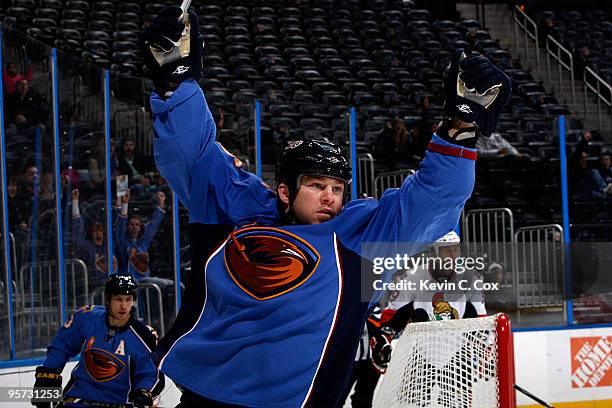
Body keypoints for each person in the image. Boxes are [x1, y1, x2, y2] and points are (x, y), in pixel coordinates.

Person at [139, 7, 510, 407]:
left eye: (336, 187)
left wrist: (459, 129)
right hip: (203, 400)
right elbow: (191, 153)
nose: (330, 196)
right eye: (316, 185)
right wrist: (176, 80)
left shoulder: (358, 239)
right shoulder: (234, 208)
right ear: (283, 191)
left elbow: (430, 202)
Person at [364, 231, 487, 408]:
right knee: (412, 404)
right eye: (447, 251)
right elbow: (391, 319)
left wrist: (481, 348)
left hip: (458, 353)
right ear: (433, 253)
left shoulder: (471, 278)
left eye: (456, 250)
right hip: (419, 354)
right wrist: (384, 337)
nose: (453, 256)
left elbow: (481, 319)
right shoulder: (411, 278)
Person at [32, 275, 164, 408]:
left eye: (128, 299)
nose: (123, 306)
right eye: (118, 299)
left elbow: (150, 373)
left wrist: (143, 391)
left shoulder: (144, 335)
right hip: (77, 398)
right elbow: (62, 345)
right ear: (108, 300)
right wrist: (49, 373)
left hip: (118, 402)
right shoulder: (87, 317)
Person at [70, 188, 118, 289]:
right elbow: (77, 230)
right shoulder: (87, 246)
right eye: (95, 230)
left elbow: (118, 225)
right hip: (96, 287)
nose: (98, 233)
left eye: (100, 230)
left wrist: (121, 199)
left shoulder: (110, 245)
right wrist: (75, 201)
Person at [115, 191, 166, 282]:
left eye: (137, 225)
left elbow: (153, 226)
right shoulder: (123, 241)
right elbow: (120, 226)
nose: (134, 227)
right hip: (129, 281)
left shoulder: (143, 242)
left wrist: (161, 204)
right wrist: (125, 203)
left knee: (172, 284)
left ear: (140, 228)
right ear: (127, 227)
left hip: (144, 282)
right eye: (131, 224)